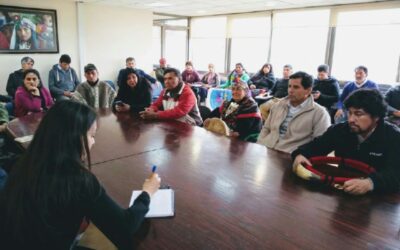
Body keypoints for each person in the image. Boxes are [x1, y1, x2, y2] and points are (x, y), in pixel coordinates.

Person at [0, 100, 161, 249]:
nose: (93, 142)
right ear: (72, 137)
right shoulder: (76, 179)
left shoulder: (25, 161)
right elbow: (126, 226)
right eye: (91, 136)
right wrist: (147, 192)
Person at [292, 89, 400, 194]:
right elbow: (316, 146)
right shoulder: (339, 130)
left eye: (358, 114)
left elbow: (395, 174)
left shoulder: (394, 136)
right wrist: (301, 154)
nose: (351, 119)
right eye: (349, 113)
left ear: (376, 117)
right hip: (341, 190)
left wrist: (370, 183)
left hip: (379, 199)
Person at [257, 71, 330, 153]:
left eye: (296, 87)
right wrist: (260, 144)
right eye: (289, 86)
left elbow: (321, 144)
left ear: (308, 90)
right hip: (267, 149)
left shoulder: (320, 113)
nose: (290, 90)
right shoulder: (278, 106)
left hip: (290, 155)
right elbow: (266, 129)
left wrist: (300, 155)